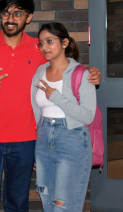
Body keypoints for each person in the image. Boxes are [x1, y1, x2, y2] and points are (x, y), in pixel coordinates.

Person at [0, 0, 101, 212]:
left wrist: (91, 72)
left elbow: (66, 66)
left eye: (18, 14)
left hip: (25, 141)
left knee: (17, 204)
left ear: (29, 17)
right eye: (6, 13)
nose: (10, 19)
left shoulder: (40, 49)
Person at [31, 22, 96, 212]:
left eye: (50, 41)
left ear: (65, 43)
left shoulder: (82, 74)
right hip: (43, 140)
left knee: (63, 206)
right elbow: (36, 110)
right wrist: (36, 144)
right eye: (41, 43)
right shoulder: (40, 72)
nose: (44, 47)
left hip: (72, 139)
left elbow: (88, 116)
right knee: (47, 200)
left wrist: (56, 97)